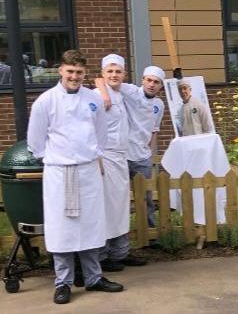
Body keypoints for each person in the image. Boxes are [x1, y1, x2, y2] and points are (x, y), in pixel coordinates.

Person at [27, 50, 123, 304]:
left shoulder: (92, 99)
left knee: (91, 224)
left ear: (84, 74)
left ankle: (94, 278)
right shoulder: (45, 101)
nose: (74, 77)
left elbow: (100, 135)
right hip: (60, 172)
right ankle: (63, 282)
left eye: (79, 72)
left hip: (88, 169)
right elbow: (36, 142)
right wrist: (59, 158)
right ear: (61, 70)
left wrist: (91, 156)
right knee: (63, 229)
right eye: (70, 71)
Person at [95, 54, 147, 273]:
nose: (114, 75)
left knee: (121, 207)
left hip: (120, 157)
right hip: (105, 158)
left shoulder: (123, 92)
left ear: (124, 74)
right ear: (103, 74)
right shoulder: (98, 96)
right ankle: (103, 256)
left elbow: (147, 92)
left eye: (118, 71)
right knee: (107, 208)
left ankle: (120, 253)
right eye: (110, 72)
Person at [101, 65, 165, 228]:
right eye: (149, 80)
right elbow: (102, 80)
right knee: (117, 197)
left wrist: (150, 154)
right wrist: (104, 94)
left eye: (156, 82)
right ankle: (117, 232)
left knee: (146, 198)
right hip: (122, 155)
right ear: (142, 80)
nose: (151, 84)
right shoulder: (130, 91)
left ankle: (149, 235)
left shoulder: (159, 105)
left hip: (142, 158)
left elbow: (153, 131)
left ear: (161, 86)